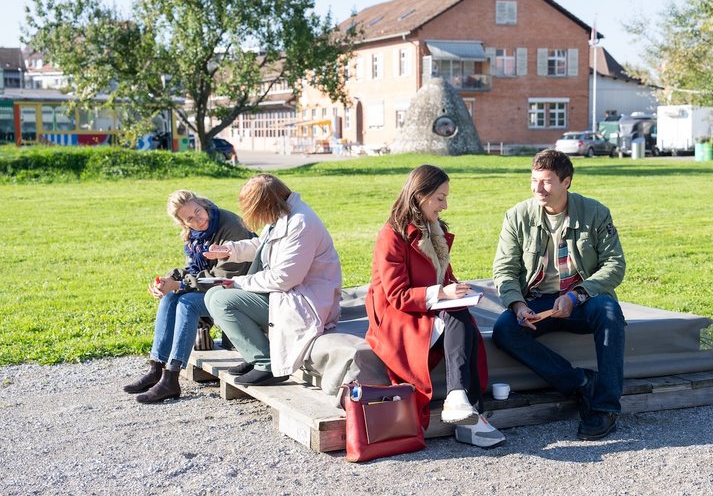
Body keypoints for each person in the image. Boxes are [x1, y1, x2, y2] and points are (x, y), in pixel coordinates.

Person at [365, 165, 505, 449]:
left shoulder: (434, 231)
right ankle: (466, 412)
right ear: (420, 196)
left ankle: (460, 402)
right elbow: (397, 296)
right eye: (440, 198)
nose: (445, 205)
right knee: (460, 317)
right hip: (396, 316)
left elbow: (443, 278)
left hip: (424, 307)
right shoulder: (391, 235)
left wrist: (456, 289)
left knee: (463, 317)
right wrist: (443, 292)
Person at [492, 149, 626, 440]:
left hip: (584, 300)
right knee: (504, 329)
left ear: (566, 182)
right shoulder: (517, 216)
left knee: (609, 312)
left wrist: (577, 295)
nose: (538, 188)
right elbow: (504, 270)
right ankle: (580, 383)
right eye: (534, 180)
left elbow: (615, 265)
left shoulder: (595, 212)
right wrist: (518, 305)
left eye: (546, 181)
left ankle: (605, 407)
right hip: (538, 301)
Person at [203, 174, 342, 387]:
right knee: (213, 294)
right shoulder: (284, 215)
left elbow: (285, 278)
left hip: (305, 303)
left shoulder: (300, 223)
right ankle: (254, 355)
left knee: (222, 301)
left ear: (265, 204)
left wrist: (239, 282)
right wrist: (229, 250)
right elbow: (263, 245)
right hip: (288, 294)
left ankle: (267, 364)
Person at [123, 190, 255, 403]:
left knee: (188, 302)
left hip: (242, 290)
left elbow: (223, 277)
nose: (198, 220)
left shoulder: (230, 225)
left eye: (198, 211)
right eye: (190, 219)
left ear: (203, 204)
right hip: (216, 289)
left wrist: (180, 284)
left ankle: (171, 377)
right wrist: (169, 280)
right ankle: (156, 368)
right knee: (170, 298)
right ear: (183, 223)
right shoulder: (195, 236)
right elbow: (194, 270)